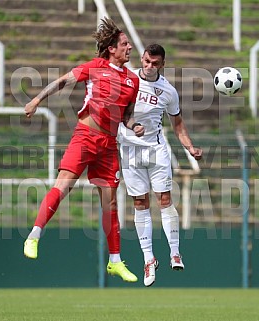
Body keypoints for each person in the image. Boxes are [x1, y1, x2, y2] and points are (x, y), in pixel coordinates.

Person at [23, 17, 145, 283]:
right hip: (86, 137)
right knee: (63, 185)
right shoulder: (95, 67)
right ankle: (34, 235)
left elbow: (127, 116)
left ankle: (115, 261)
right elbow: (62, 82)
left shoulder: (133, 81)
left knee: (110, 202)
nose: (130, 48)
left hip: (109, 145)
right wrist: (36, 99)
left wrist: (135, 126)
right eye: (125, 44)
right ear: (112, 48)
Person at [117, 44, 202, 286]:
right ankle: (148, 259)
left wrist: (190, 147)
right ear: (142, 59)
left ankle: (175, 252)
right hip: (130, 151)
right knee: (139, 202)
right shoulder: (129, 79)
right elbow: (117, 110)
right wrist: (131, 127)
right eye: (146, 61)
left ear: (162, 64)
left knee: (164, 199)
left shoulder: (168, 91)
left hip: (156, 150)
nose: (149, 66)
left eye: (155, 63)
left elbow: (177, 123)